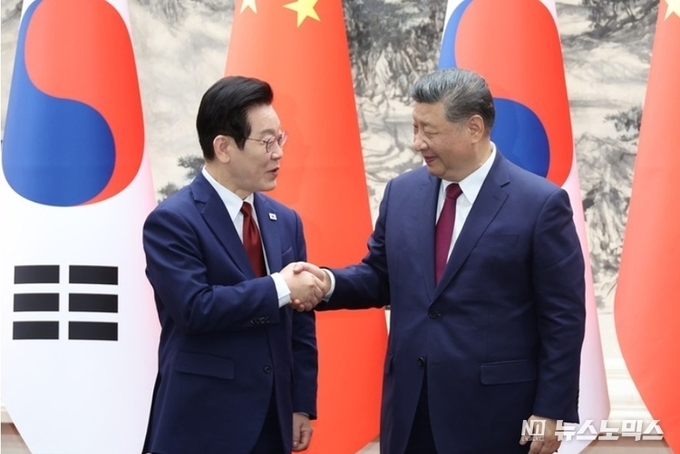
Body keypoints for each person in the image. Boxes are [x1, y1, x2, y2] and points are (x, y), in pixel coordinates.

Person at [298, 68, 586, 454]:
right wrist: (326, 283)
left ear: (474, 128)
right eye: (415, 127)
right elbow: (380, 276)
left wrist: (550, 409)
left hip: (495, 415)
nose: (417, 142)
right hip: (410, 409)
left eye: (429, 131)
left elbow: (563, 318)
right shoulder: (402, 192)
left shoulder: (540, 204)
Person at [142, 76, 325, 454]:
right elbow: (195, 308)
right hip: (201, 424)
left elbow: (301, 322)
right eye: (267, 141)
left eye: (280, 138)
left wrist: (300, 404)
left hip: (272, 424)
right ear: (223, 147)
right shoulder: (173, 220)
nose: (279, 153)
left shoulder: (285, 221)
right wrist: (280, 287)